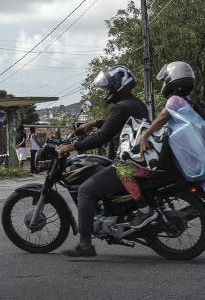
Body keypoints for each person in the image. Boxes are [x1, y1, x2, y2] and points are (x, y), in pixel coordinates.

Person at [57, 65, 148, 257]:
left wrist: (73, 147)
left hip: (126, 163)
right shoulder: (135, 103)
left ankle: (85, 245)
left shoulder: (121, 107)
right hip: (139, 160)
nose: (106, 92)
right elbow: (112, 122)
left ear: (118, 86)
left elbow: (103, 136)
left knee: (86, 190)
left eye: (109, 88)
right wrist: (92, 123)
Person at [127, 61, 196, 227]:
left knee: (122, 169)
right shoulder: (187, 101)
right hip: (182, 157)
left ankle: (144, 210)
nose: (164, 82)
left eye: (165, 79)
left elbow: (164, 116)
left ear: (171, 79)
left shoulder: (174, 100)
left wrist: (145, 134)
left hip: (169, 160)